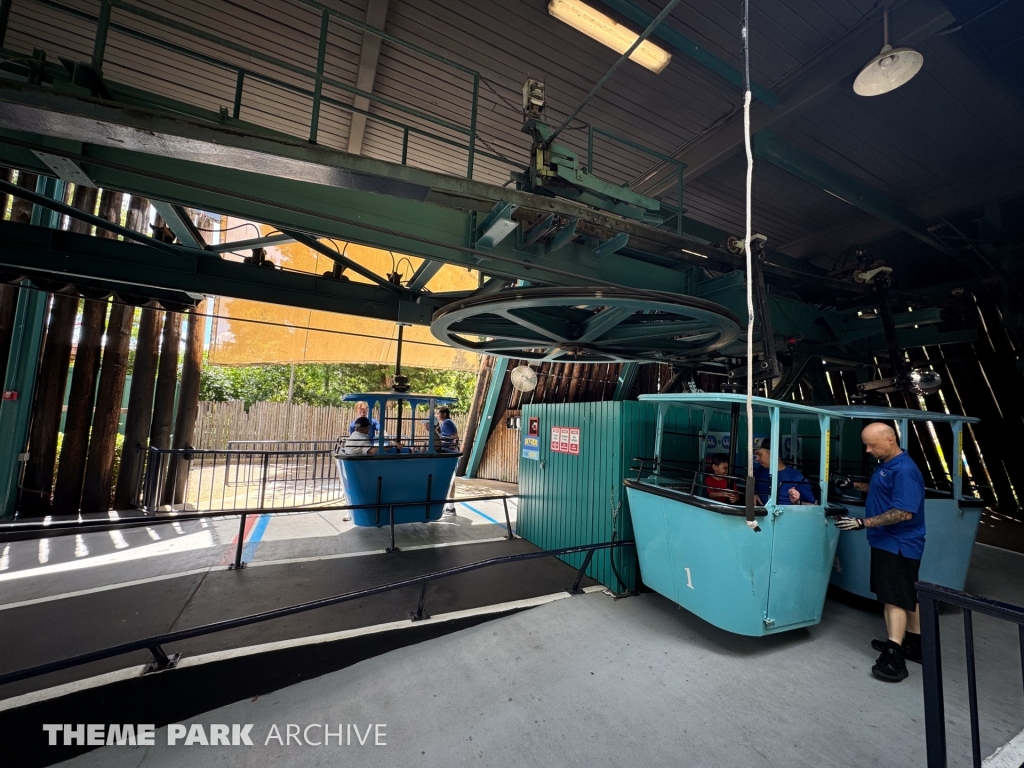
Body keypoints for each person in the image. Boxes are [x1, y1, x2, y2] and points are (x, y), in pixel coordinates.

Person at [834, 422, 926, 683]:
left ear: (890, 439)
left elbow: (903, 512)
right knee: (907, 593)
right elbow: (883, 489)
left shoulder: (905, 470)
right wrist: (854, 484)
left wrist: (864, 523)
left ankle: (894, 653)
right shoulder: (888, 465)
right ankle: (917, 645)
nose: (867, 450)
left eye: (871, 445)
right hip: (890, 542)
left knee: (893, 598)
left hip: (897, 543)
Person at [753, 438, 817, 505]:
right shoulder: (760, 471)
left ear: (773, 453)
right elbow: (755, 488)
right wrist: (754, 493)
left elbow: (813, 506)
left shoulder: (797, 478)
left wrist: (797, 502)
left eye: (759, 454)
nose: (757, 458)